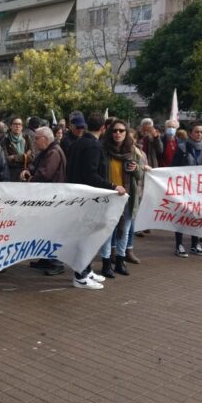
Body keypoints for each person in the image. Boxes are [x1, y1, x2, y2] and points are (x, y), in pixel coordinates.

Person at [67, 113, 126, 289]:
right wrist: (113, 186)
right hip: (87, 198)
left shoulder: (78, 142)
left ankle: (86, 270)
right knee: (86, 237)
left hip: (78, 195)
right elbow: (91, 175)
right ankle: (80, 275)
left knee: (85, 236)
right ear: (103, 128)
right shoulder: (92, 145)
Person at [99, 119, 145, 277]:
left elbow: (140, 175)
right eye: (114, 130)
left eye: (121, 131)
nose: (117, 133)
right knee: (108, 231)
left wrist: (135, 169)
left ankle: (120, 261)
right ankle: (106, 264)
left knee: (124, 231)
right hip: (109, 195)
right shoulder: (103, 150)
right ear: (110, 132)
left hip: (126, 196)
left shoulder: (133, 151)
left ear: (126, 133)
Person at [20, 126, 67, 275]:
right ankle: (45, 259)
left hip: (52, 199)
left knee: (52, 231)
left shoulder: (53, 152)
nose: (34, 141)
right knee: (45, 230)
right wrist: (29, 171)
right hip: (47, 198)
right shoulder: (48, 151)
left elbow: (44, 174)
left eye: (37, 138)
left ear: (45, 139)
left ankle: (56, 262)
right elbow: (36, 166)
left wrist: (30, 178)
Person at [171, 122, 202, 257]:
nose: (199, 134)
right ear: (191, 133)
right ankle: (179, 245)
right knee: (181, 216)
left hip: (198, 189)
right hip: (184, 189)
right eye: (197, 131)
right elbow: (173, 167)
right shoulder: (182, 148)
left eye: (201, 132)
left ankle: (195, 244)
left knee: (196, 216)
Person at [2, 116, 34, 181]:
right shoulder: (5, 140)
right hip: (12, 174)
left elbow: (32, 157)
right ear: (10, 126)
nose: (18, 126)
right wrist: (25, 156)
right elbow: (6, 159)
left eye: (19, 124)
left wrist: (14, 157)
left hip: (26, 172)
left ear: (22, 127)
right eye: (15, 124)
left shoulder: (27, 138)